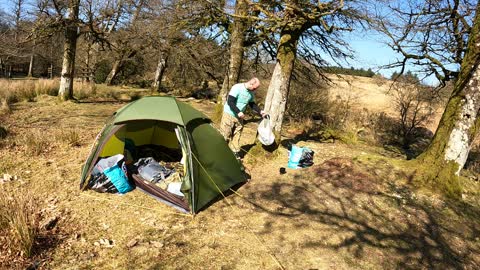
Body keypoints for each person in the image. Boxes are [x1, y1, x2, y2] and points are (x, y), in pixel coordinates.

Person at [220, 77, 267, 157]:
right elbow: (230, 101)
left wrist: (260, 111)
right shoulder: (237, 87)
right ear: (251, 83)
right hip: (229, 114)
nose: (255, 90)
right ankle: (220, 152)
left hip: (239, 117)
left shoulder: (251, 93)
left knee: (237, 134)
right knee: (225, 135)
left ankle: (233, 153)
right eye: (254, 88)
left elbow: (252, 104)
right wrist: (238, 112)